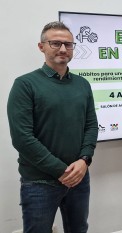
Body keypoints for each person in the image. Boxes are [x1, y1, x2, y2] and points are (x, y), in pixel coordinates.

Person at [7, 21, 98, 233]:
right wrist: (62, 171)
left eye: (68, 44)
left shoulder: (82, 84)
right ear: (42, 47)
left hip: (79, 178)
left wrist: (84, 160)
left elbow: (91, 125)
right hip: (40, 182)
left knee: (79, 229)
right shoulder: (25, 84)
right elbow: (22, 138)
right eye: (55, 43)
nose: (63, 49)